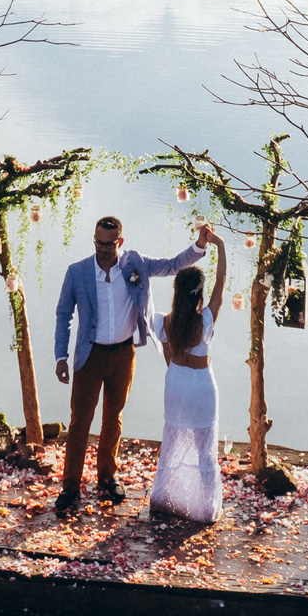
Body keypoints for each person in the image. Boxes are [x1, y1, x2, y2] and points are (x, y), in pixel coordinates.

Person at [50, 214, 209, 513]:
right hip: (89, 355)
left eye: (110, 244)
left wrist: (199, 246)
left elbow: (174, 264)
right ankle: (70, 486)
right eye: (99, 242)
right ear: (94, 240)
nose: (104, 248)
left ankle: (107, 477)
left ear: (120, 242)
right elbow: (63, 315)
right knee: (79, 422)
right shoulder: (77, 272)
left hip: (124, 354)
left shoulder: (135, 264)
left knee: (114, 417)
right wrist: (61, 356)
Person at [148, 228, 229, 522]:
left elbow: (168, 355)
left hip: (176, 382)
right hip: (201, 386)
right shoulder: (205, 319)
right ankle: (207, 509)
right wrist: (218, 244)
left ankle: (160, 498)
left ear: (176, 291)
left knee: (171, 441)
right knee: (204, 451)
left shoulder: (164, 323)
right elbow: (221, 281)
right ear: (199, 293)